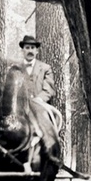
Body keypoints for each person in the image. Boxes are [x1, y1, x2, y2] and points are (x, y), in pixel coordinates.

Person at [18, 34, 61, 164]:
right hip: (21, 108)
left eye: (32, 48)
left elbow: (48, 89)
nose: (30, 50)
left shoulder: (45, 68)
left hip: (39, 106)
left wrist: (38, 100)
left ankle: (49, 157)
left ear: (37, 50)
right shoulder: (16, 68)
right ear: (23, 50)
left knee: (46, 130)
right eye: (27, 47)